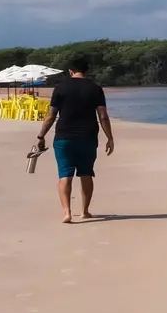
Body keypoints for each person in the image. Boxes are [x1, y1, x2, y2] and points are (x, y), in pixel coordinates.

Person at [35, 56, 114, 223]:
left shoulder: (60, 88)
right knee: (86, 173)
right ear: (87, 70)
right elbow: (103, 116)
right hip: (88, 137)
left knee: (65, 174)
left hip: (64, 137)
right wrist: (110, 138)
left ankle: (67, 213)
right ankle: (85, 211)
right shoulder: (95, 88)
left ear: (70, 71)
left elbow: (50, 116)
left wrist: (41, 136)